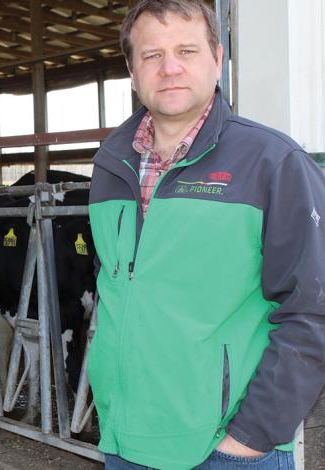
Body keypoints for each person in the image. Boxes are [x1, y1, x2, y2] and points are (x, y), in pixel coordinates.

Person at [87, 0, 325, 468]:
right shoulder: (110, 165)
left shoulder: (273, 162)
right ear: (132, 72)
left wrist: (252, 436)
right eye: (152, 55)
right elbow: (116, 291)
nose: (170, 68)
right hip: (124, 440)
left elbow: (314, 309)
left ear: (217, 59)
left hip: (223, 449)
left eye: (187, 50)